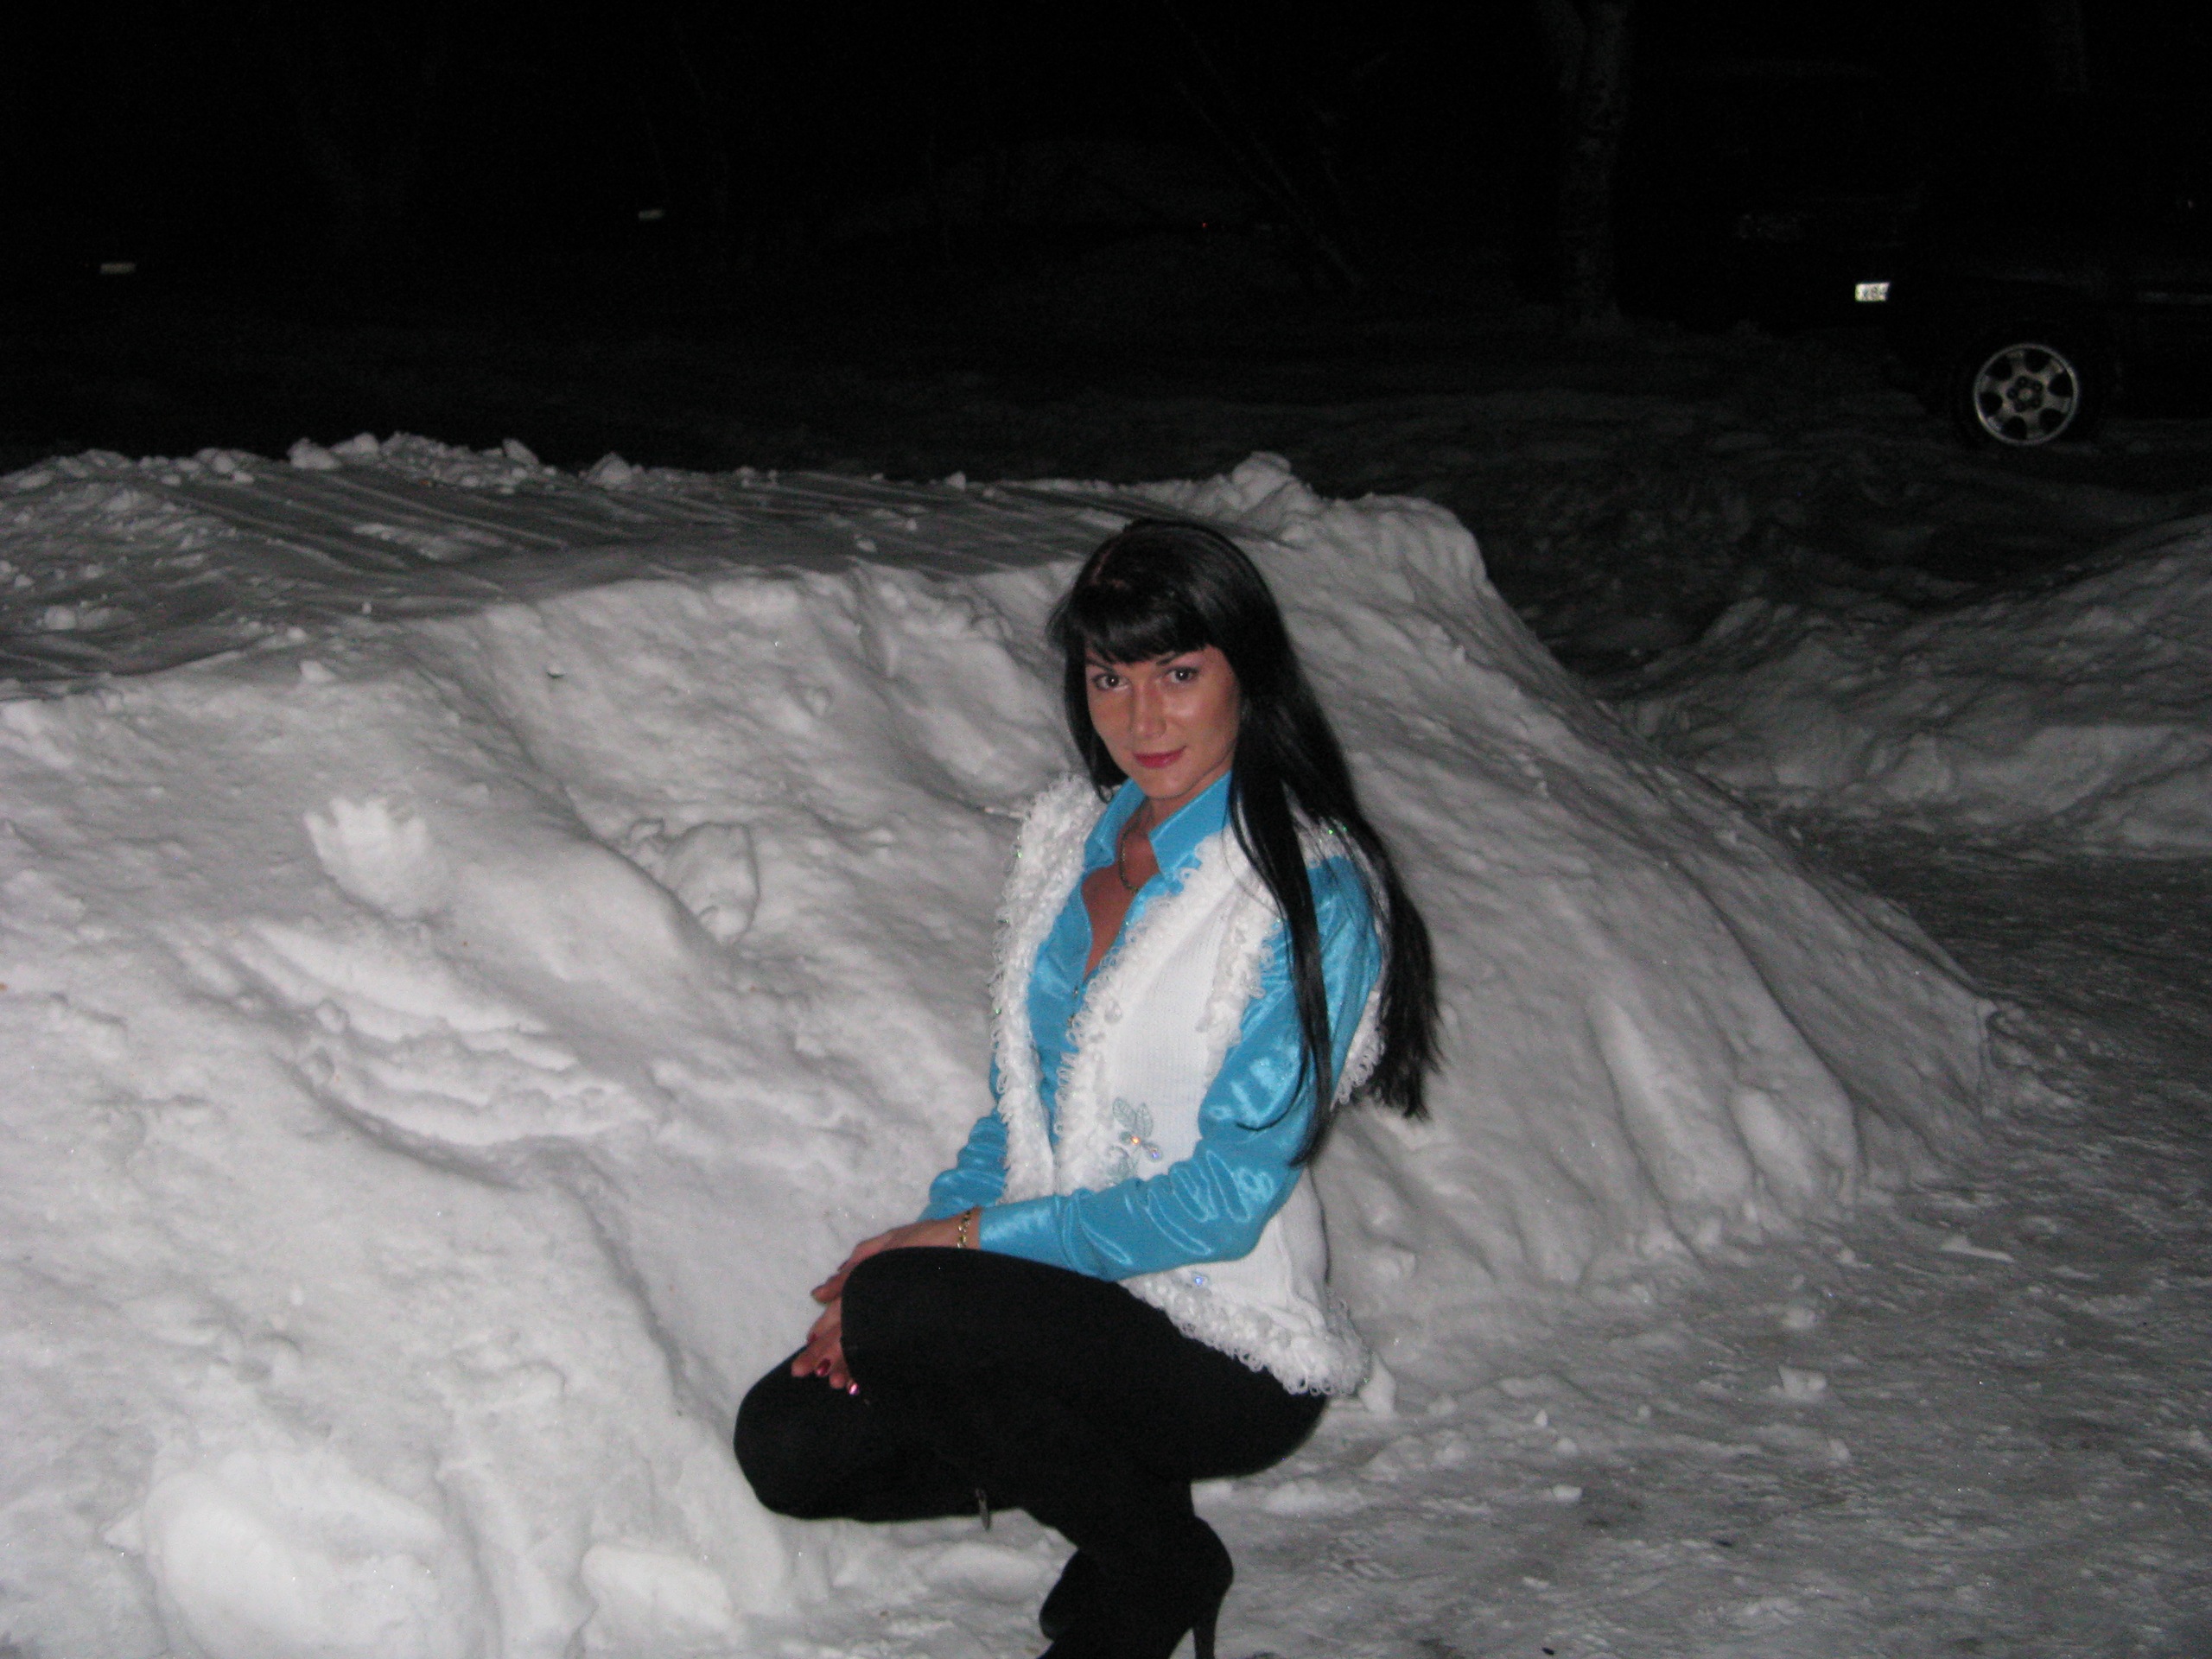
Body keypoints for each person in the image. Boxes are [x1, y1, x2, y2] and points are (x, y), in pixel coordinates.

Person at [734, 518, 1438, 1658]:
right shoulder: (1073, 841)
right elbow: (1018, 1115)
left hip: (1221, 1339)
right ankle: (1141, 1529)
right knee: (789, 1442)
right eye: (1110, 677)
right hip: (1058, 1312)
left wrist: (943, 1265)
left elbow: (1222, 1200)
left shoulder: (1305, 890)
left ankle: (1156, 1568)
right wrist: (894, 1274)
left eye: (1179, 674)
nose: (1140, 718)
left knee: (906, 1308)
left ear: (1248, 675)